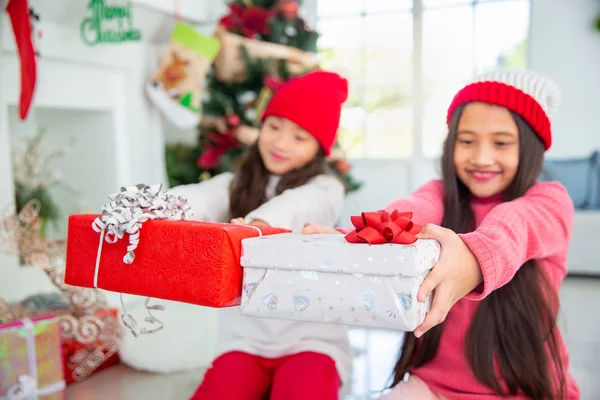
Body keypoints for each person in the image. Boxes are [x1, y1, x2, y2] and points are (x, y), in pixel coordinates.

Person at [304, 69, 580, 399]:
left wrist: (473, 256)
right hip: (433, 386)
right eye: (467, 141)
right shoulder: (438, 194)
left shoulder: (550, 202)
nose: (481, 157)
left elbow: (513, 227)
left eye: (501, 143)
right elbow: (407, 213)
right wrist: (355, 236)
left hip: (528, 388)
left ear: (531, 148)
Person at [171, 70, 353, 400]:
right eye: (273, 127)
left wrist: (257, 224)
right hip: (244, 340)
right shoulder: (235, 182)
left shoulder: (326, 188)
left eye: (300, 137)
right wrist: (155, 207)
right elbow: (200, 197)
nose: (281, 144)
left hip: (311, 341)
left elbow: (298, 205)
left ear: (318, 148)